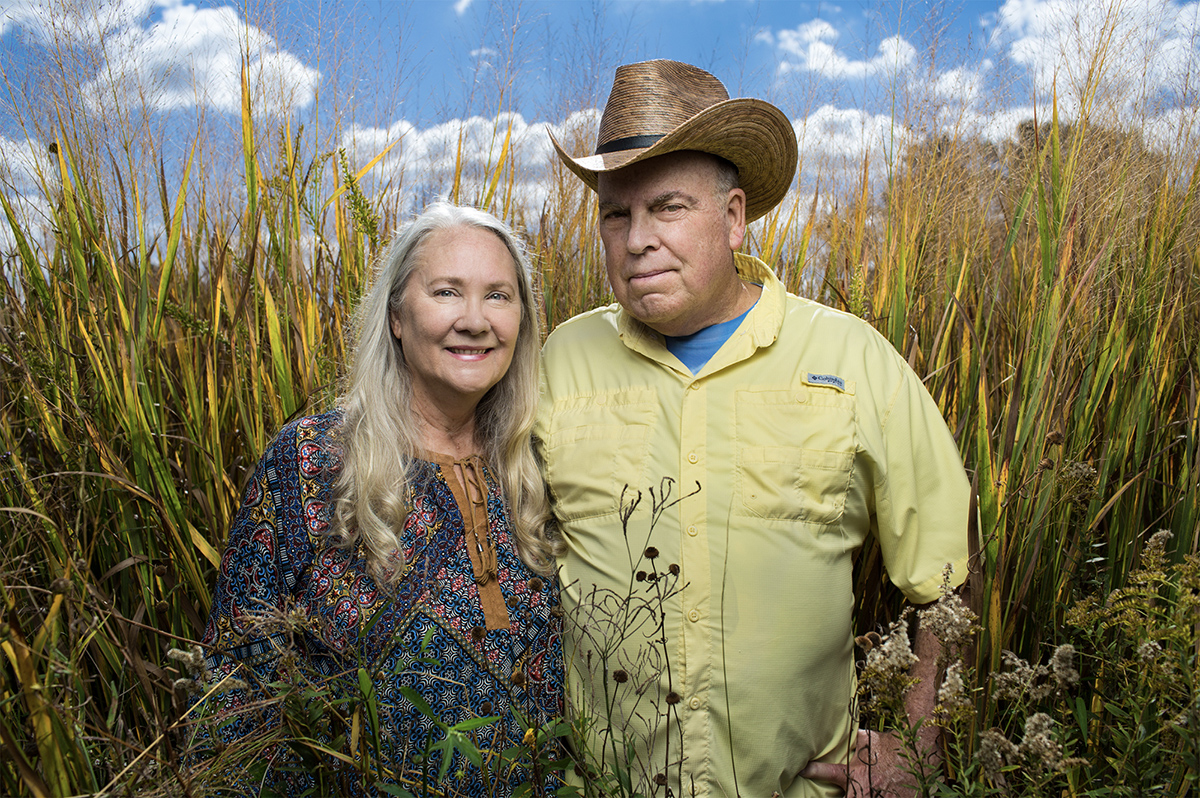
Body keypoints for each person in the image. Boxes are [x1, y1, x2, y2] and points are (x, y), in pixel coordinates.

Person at [535, 60, 972, 797]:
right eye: (617, 213)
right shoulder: (560, 362)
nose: (637, 238)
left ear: (734, 217)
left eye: (667, 207)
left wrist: (918, 745)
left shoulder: (849, 358)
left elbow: (950, 576)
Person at [196, 203, 565, 797]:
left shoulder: (538, 470)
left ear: (522, 319)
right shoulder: (309, 464)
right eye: (447, 292)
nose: (475, 320)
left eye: (499, 295)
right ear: (397, 316)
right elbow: (238, 686)